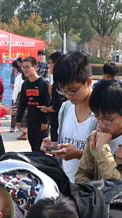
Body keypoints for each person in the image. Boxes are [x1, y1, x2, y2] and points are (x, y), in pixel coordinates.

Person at [42, 51, 96, 181]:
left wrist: (79, 154)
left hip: (91, 189)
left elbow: (111, 160)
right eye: (63, 90)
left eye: (72, 91)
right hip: (67, 185)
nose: (67, 95)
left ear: (88, 82)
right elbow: (66, 144)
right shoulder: (66, 108)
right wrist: (54, 146)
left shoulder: (103, 114)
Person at [16, 56, 50, 152]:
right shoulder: (25, 84)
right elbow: (22, 104)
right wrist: (18, 119)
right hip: (30, 120)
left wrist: (45, 121)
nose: (25, 70)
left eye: (27, 67)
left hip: (41, 122)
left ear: (35, 67)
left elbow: (47, 104)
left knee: (40, 150)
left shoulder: (43, 84)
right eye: (23, 67)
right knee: (33, 148)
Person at [37, 52, 66, 144]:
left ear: (56, 63)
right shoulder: (62, 79)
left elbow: (57, 105)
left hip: (58, 124)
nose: (49, 66)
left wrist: (45, 109)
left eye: (50, 63)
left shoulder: (59, 81)